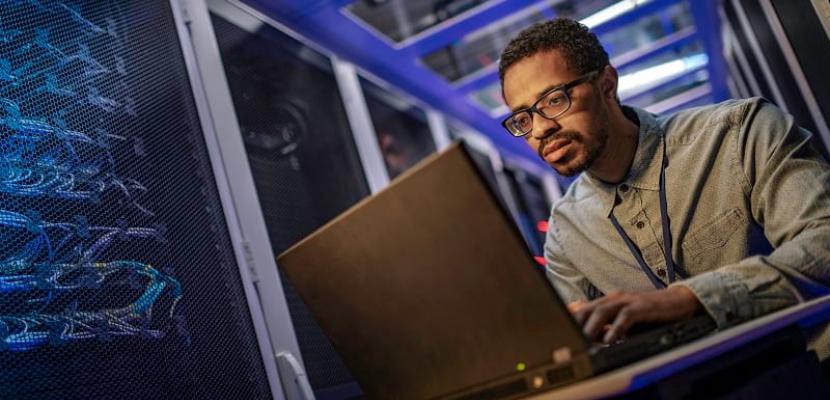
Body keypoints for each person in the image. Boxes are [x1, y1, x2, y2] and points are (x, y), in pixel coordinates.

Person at [497, 18, 830, 356]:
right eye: (522, 119)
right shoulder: (566, 233)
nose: (539, 129)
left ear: (607, 84)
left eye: (554, 100)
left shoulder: (739, 134)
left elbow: (824, 241)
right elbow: (569, 350)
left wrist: (689, 300)